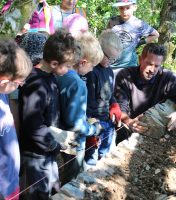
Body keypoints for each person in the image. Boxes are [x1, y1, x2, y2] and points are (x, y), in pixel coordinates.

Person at [18, 29, 81, 199]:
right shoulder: (36, 84)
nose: (69, 70)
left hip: (47, 151)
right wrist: (53, 144)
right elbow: (33, 124)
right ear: (54, 63)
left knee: (53, 188)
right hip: (35, 155)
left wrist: (60, 137)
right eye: (67, 66)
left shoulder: (50, 78)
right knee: (38, 193)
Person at [114, 43, 176, 143]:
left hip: (146, 123)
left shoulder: (167, 78)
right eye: (149, 64)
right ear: (140, 59)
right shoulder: (125, 76)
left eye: (157, 66)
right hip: (125, 123)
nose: (152, 70)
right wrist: (128, 121)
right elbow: (119, 107)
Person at [56, 31, 103, 184]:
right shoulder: (77, 83)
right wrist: (93, 129)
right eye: (92, 66)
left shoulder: (60, 74)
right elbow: (75, 123)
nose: (92, 71)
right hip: (72, 144)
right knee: (70, 181)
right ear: (82, 62)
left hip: (57, 139)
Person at [83, 30, 123, 166]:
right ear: (99, 49)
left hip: (107, 122)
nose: (111, 61)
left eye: (114, 59)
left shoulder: (109, 71)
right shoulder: (90, 72)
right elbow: (86, 103)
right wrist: (90, 128)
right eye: (109, 57)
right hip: (95, 123)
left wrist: (114, 105)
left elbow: (110, 94)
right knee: (91, 159)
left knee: (105, 155)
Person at [0, 40, 32, 200]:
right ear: (5, 82)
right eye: (19, 83)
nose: (21, 86)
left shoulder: (3, 95)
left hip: (10, 181)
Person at [107, 0, 159, 71]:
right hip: (111, 65)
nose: (124, 11)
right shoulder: (113, 21)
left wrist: (140, 42)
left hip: (129, 66)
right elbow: (106, 37)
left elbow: (155, 34)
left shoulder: (139, 24)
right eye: (121, 8)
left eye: (128, 8)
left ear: (135, 7)